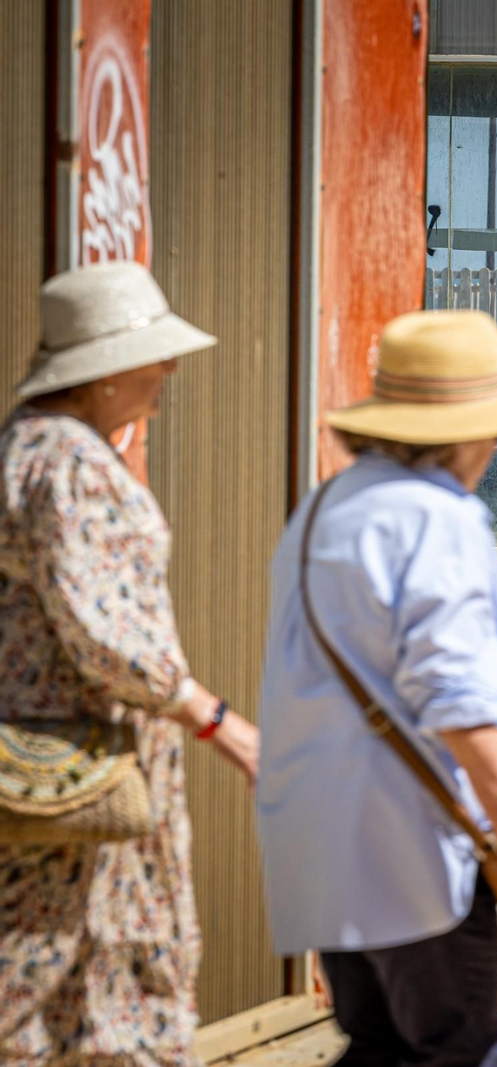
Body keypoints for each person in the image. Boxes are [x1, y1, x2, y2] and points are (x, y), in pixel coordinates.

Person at [256, 310, 497, 1066]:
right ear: (472, 431)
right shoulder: (436, 519)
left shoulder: (326, 509)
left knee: (375, 1044)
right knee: (457, 1047)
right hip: (413, 846)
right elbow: (463, 707)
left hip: (318, 842)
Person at [0, 263, 259, 1065]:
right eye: (153, 355)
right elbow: (104, 634)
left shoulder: (22, 447)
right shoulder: (70, 462)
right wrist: (212, 716)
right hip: (86, 769)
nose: (168, 372)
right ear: (102, 373)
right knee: (98, 978)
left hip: (49, 765)